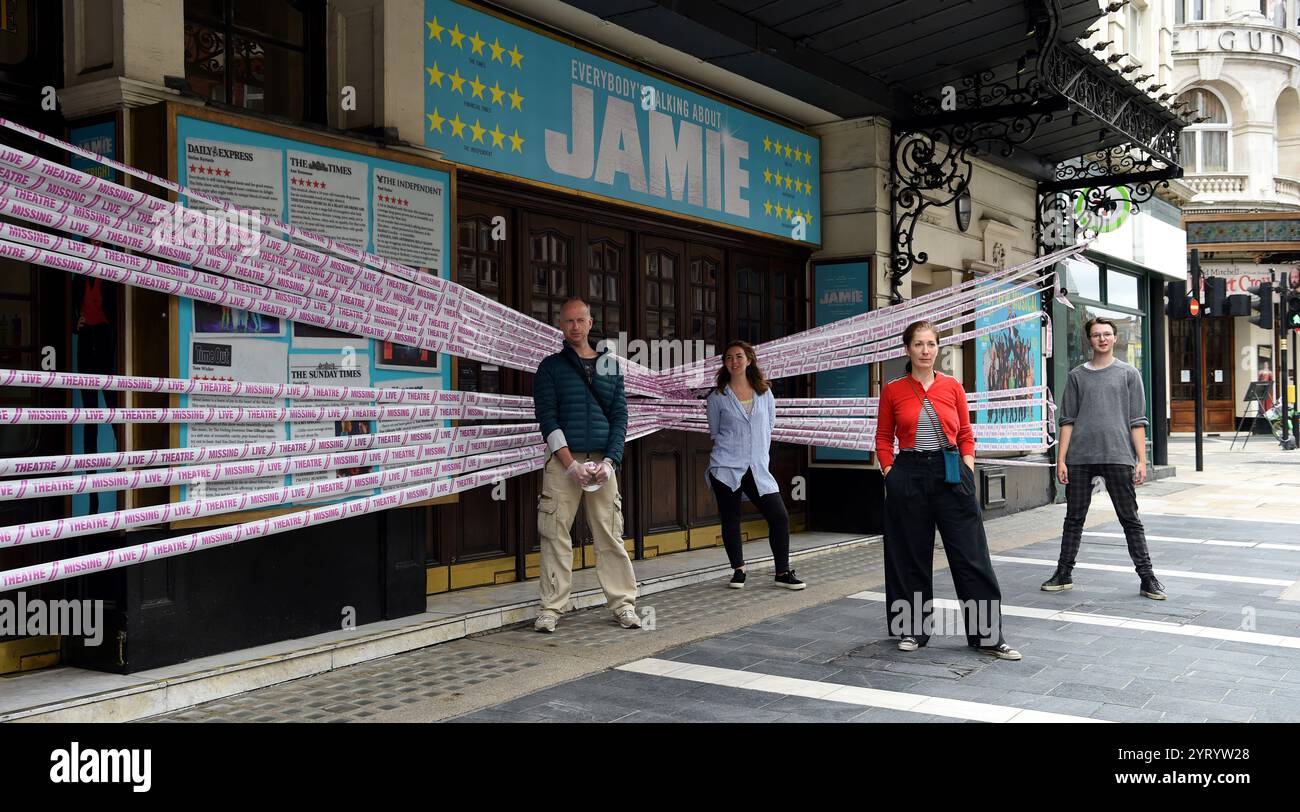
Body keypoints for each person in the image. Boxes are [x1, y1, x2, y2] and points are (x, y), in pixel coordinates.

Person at [875, 320, 1020, 660]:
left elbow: (967, 433)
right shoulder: (893, 390)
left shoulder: (952, 386)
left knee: (971, 556)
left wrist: (967, 466)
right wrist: (890, 472)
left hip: (952, 472)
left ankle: (987, 636)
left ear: (938, 348)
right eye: (918, 344)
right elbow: (883, 437)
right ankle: (911, 630)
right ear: (907, 349)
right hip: (908, 472)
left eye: (931, 344)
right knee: (908, 557)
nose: (925, 350)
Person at [531, 298, 640, 633]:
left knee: (610, 533)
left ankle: (624, 605)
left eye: (580, 320)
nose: (575, 327)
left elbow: (621, 416)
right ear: (560, 325)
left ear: (591, 323)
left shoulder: (610, 365)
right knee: (554, 533)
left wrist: (610, 462)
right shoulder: (550, 367)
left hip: (603, 462)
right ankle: (552, 608)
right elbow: (547, 418)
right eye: (568, 321)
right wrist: (569, 465)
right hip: (565, 461)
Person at [1042, 316, 1166, 600]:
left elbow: (1138, 421)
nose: (1102, 339)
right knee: (1074, 518)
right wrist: (1061, 459)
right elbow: (1067, 421)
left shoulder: (1128, 374)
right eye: (1097, 334)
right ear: (1089, 339)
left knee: (1129, 519)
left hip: (1118, 455)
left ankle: (1148, 578)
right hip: (1080, 458)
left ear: (1115, 338)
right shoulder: (1076, 376)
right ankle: (1063, 573)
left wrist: (1142, 460)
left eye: (1107, 334)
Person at [705, 340, 804, 590]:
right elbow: (715, 432)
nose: (734, 362)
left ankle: (782, 572)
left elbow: (769, 426)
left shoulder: (764, 392)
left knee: (779, 517)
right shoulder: (717, 396)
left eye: (739, 357)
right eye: (728, 358)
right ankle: (738, 570)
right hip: (726, 465)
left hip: (758, 467)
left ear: (749, 360)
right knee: (731, 518)